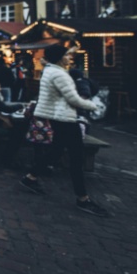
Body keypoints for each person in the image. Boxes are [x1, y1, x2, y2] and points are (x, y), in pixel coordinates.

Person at [19, 44, 108, 217]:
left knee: (56, 150)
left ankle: (30, 177)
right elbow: (73, 98)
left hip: (56, 116)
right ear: (60, 57)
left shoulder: (49, 71)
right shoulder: (59, 74)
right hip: (64, 118)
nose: (69, 57)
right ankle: (82, 198)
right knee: (76, 157)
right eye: (67, 55)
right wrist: (94, 106)